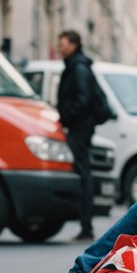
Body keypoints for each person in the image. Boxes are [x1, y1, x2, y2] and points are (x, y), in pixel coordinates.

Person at [56, 30, 98, 242]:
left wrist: (67, 117)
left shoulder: (78, 67)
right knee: (83, 173)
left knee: (83, 175)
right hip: (80, 126)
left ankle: (86, 226)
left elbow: (83, 100)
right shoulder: (76, 65)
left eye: (63, 44)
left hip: (80, 127)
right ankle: (84, 223)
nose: (60, 48)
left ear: (73, 44)